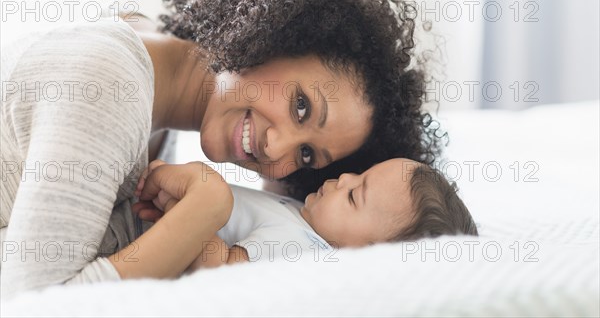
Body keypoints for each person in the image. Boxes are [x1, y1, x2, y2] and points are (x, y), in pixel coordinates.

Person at [0, 0, 442, 296]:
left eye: (307, 155)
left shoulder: (154, 77)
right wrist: (205, 208)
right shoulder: (110, 85)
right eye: (302, 106)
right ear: (273, 34)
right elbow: (36, 304)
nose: (275, 150)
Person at [126, 157, 477, 274]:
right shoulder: (305, 219)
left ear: (366, 257)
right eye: (361, 173)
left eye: (355, 196)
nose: (344, 179)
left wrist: (181, 203)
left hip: (135, 238)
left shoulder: (300, 249)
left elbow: (222, 269)